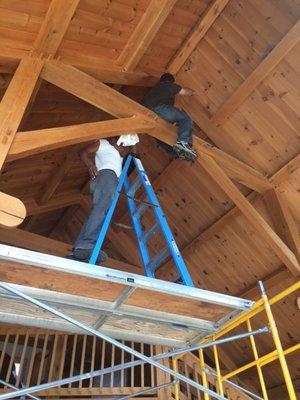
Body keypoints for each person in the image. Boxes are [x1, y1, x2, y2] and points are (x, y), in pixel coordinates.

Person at [70, 138, 128, 263]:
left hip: (111, 180)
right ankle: (87, 245)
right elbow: (83, 152)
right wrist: (90, 165)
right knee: (101, 209)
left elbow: (135, 153)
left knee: (98, 211)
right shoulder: (105, 144)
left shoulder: (119, 157)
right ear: (116, 140)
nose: (124, 147)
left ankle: (80, 248)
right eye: (122, 143)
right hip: (106, 175)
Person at [142, 73, 197, 161]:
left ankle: (174, 153)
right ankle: (183, 144)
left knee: (160, 135)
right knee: (185, 119)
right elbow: (186, 92)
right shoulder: (167, 85)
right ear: (171, 81)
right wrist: (194, 92)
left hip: (147, 114)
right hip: (158, 108)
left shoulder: (154, 90)